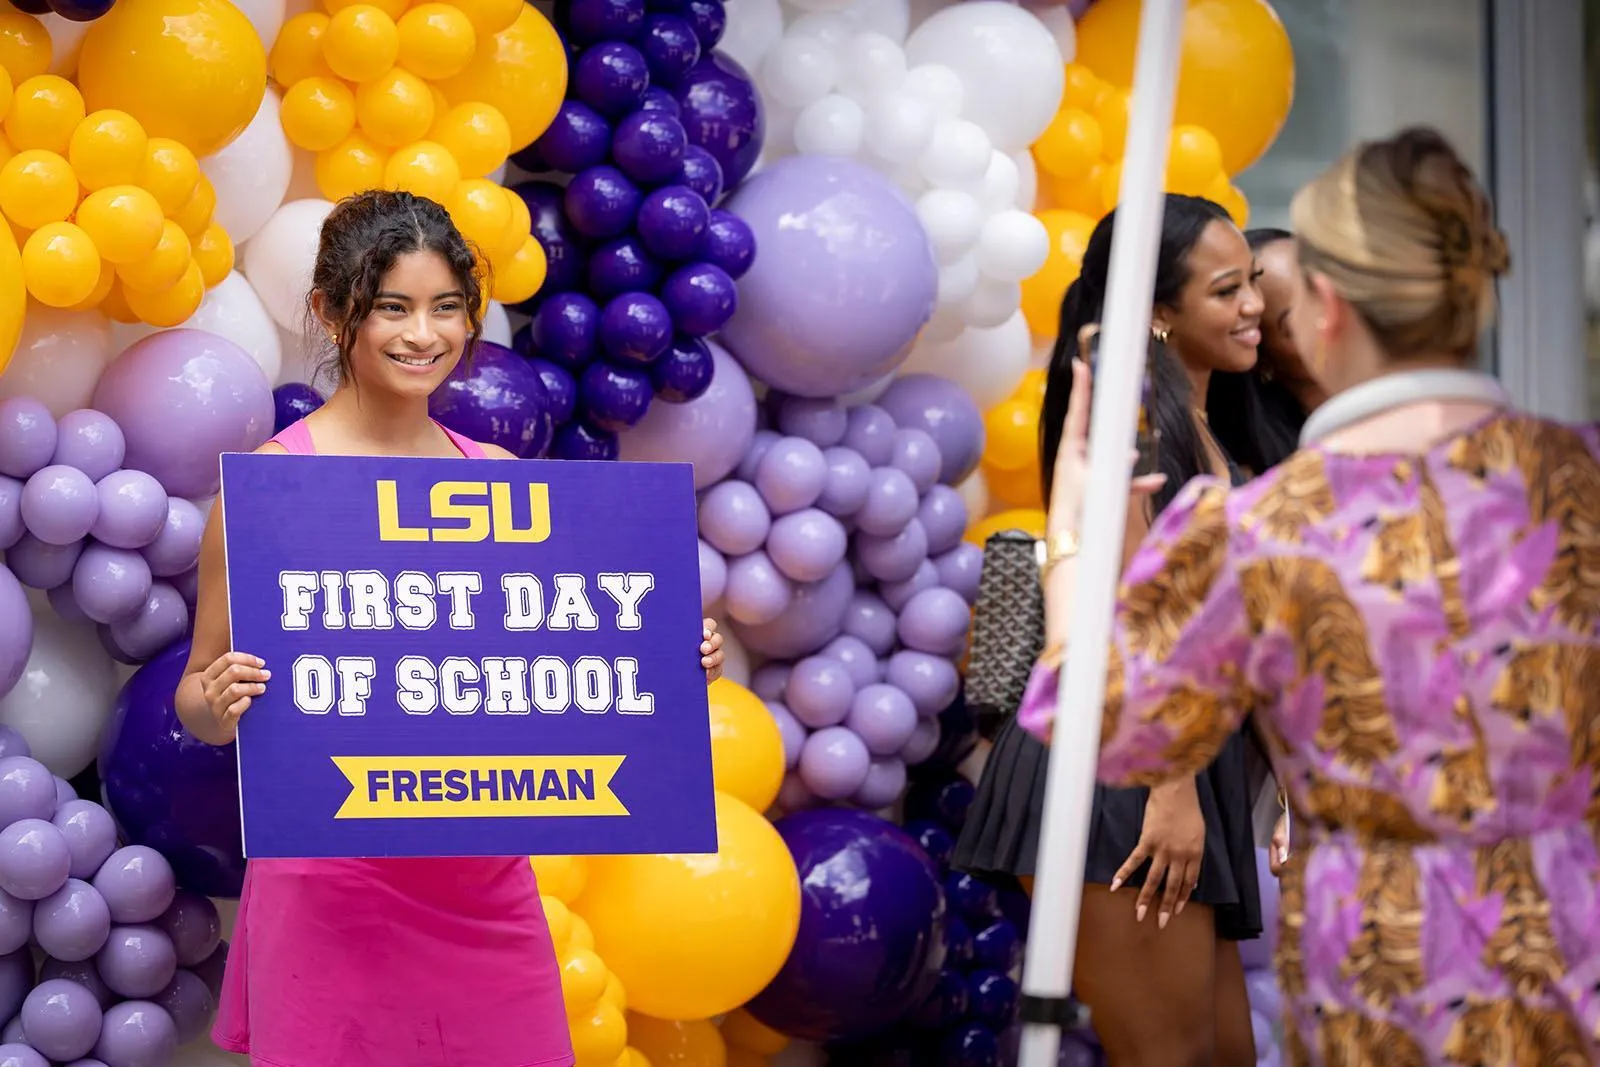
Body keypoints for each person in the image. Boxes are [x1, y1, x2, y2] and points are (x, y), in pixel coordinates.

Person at [1021, 126, 1600, 1062]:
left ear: (1326, 306)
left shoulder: (1266, 527)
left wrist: (1073, 531)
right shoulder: (1582, 482)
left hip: (1385, 978)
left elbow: (1101, 718)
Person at [174, 189, 727, 1067]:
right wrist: (217, 699)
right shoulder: (269, 492)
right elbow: (197, 701)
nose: (423, 334)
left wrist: (665, 659)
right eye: (393, 307)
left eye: (446, 307)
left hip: (482, 879)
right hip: (331, 884)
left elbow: (554, 666)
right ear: (332, 312)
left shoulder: (500, 477)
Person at [954, 194, 1263, 1066]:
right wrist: (1172, 788)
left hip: (1174, 758)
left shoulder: (1204, 421)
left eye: (1253, 282)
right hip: (1129, 762)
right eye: (1227, 290)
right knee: (1170, 1056)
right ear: (1158, 313)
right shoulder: (1130, 425)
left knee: (1224, 1054)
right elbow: (1127, 609)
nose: (1254, 306)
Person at [1207, 228, 1329, 479]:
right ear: (1264, 361)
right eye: (1297, 322)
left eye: (1327, 291)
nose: (1332, 315)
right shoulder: (1274, 479)